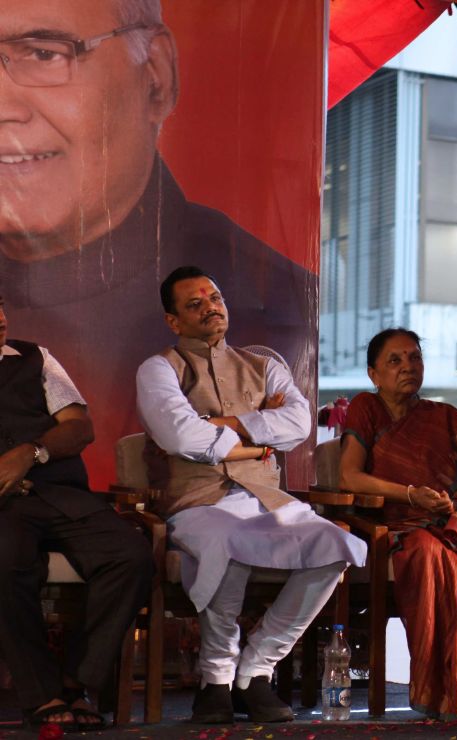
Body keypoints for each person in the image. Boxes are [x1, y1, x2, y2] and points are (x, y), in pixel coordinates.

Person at [0, 0, 314, 486]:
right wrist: (250, 427)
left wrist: (216, 427)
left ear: (155, 77)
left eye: (44, 53)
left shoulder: (277, 300)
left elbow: (276, 430)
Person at [135, 266, 365, 724]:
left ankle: (255, 669)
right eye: (194, 304)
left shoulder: (266, 365)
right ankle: (214, 679)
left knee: (335, 544)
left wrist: (223, 426)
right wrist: (259, 439)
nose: (210, 308)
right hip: (198, 503)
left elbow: (298, 425)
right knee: (228, 541)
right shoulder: (159, 368)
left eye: (215, 297)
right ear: (173, 321)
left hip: (265, 500)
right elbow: (181, 437)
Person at [0, 295, 152, 730]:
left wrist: (31, 452)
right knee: (5, 561)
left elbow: (78, 426)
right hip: (4, 506)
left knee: (131, 555)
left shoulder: (35, 358)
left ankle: (75, 681)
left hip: (59, 492)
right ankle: (40, 691)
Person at [338, 328, 457, 720]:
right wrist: (411, 494)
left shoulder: (441, 416)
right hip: (398, 523)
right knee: (431, 551)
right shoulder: (367, 408)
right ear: (373, 374)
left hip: (452, 518)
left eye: (414, 358)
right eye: (394, 361)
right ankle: (439, 687)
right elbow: (349, 476)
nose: (407, 367)